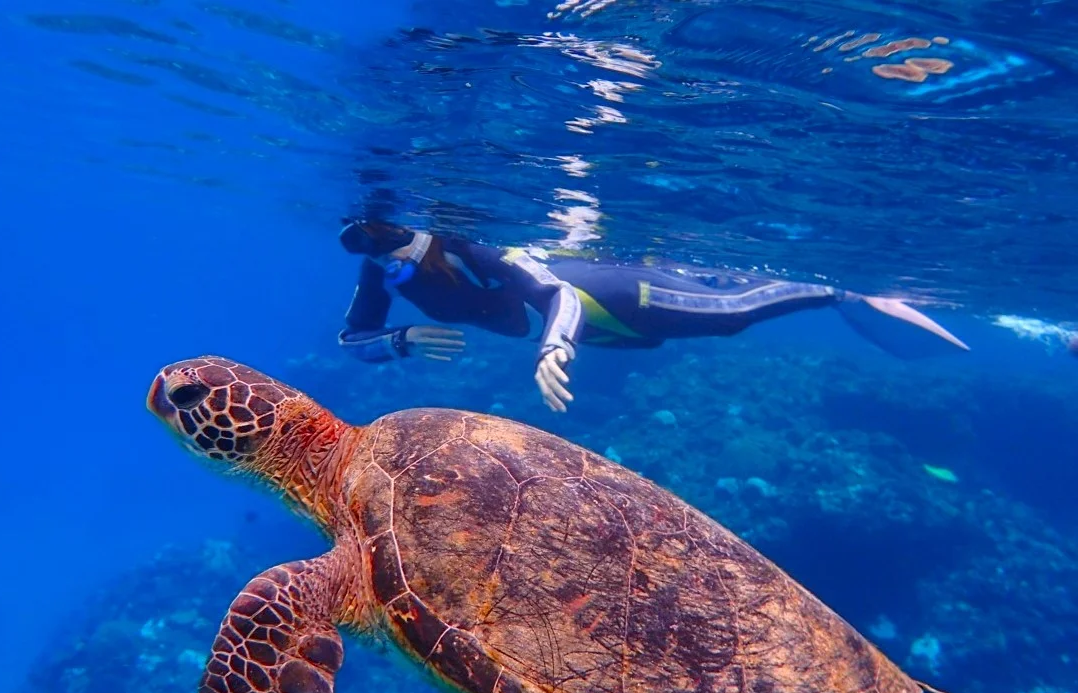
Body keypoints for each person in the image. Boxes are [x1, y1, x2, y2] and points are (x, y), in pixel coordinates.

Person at [336, 219, 969, 411]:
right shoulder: (381, 271)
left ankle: (848, 293)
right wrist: (401, 338)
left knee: (728, 316)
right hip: (605, 326)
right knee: (703, 300)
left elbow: (553, 294)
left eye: (389, 230)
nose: (383, 245)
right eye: (366, 238)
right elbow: (352, 338)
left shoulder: (469, 242)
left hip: (605, 296)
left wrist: (555, 348)